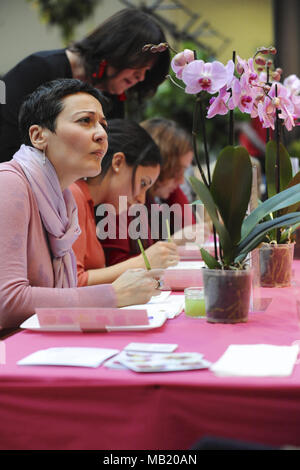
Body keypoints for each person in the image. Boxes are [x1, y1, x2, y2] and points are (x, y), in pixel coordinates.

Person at [0, 79, 163, 329]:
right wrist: (112, 295)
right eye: (85, 121)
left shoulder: (63, 198)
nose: (101, 134)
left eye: (103, 123)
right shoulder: (9, 183)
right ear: (38, 136)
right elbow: (6, 302)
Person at [0, 8, 170, 162]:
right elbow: (6, 136)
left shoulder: (114, 100)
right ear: (118, 49)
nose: (141, 77)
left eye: (147, 71)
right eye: (139, 65)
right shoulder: (39, 68)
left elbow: (108, 166)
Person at [70, 119, 180, 287]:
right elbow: (73, 282)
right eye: (143, 183)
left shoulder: (89, 203)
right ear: (118, 162)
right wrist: (144, 262)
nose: (141, 199)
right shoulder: (74, 194)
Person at [102, 118, 197, 267]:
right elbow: (116, 263)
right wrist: (171, 242)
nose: (181, 181)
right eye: (177, 170)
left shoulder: (148, 198)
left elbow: (191, 229)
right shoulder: (123, 199)